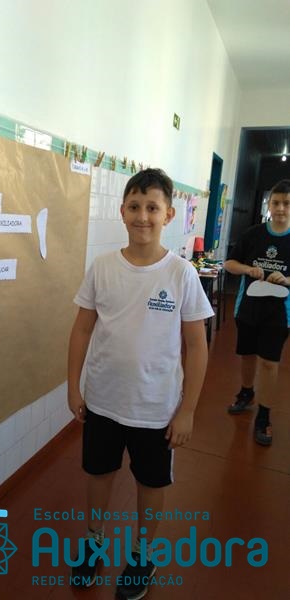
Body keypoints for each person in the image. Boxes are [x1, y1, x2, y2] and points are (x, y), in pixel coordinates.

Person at [67, 168, 213, 600]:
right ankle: (94, 542)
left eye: (152, 207)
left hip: (155, 408)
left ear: (168, 214)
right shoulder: (102, 267)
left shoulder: (181, 274)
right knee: (99, 474)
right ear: (122, 211)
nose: (142, 216)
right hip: (103, 400)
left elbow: (197, 347)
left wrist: (188, 410)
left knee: (151, 483)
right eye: (134, 206)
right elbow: (81, 330)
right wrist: (73, 387)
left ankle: (142, 554)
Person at [225, 179, 290, 446]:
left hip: (279, 314)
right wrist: (248, 269)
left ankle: (264, 415)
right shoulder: (252, 234)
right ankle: (246, 393)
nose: (281, 208)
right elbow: (229, 263)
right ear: (269, 205)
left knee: (269, 363)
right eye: (276, 203)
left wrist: (286, 279)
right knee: (248, 355)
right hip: (248, 307)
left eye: (287, 203)